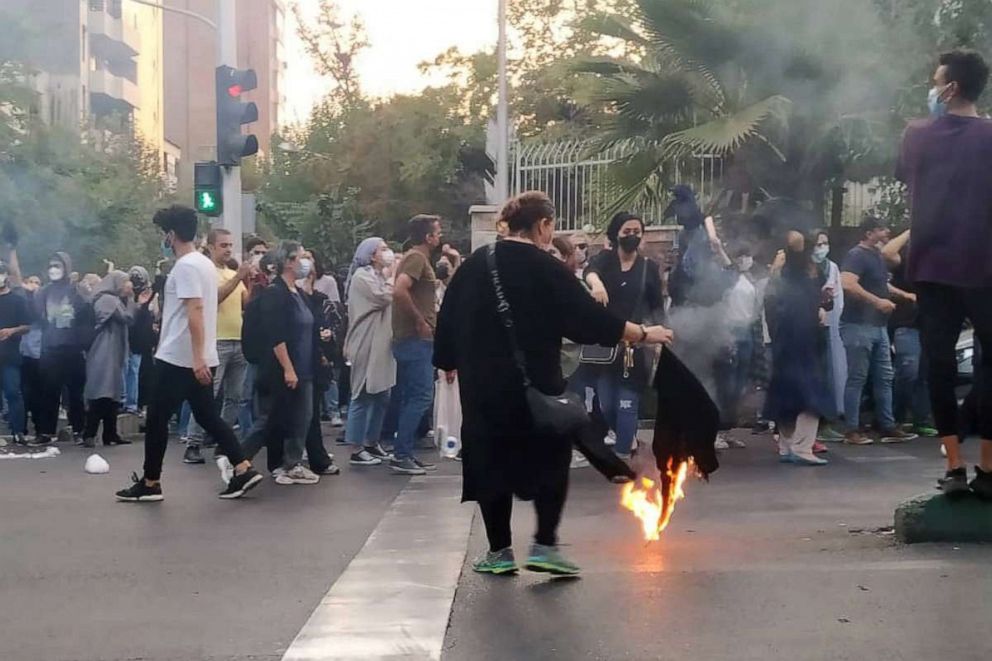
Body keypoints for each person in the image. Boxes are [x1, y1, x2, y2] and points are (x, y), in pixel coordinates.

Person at [435, 191, 675, 576]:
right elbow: (589, 321)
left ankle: (499, 552)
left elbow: (447, 322)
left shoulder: (473, 266)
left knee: (491, 462)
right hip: (538, 387)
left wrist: (447, 362)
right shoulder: (546, 269)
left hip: (484, 391)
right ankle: (545, 545)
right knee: (550, 458)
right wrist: (645, 334)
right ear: (543, 225)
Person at [115, 205, 262, 502]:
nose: (164, 240)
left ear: (171, 235)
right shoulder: (204, 265)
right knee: (208, 416)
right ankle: (243, 467)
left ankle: (151, 482)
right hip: (200, 355)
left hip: (179, 358)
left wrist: (196, 358)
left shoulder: (186, 267)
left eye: (163, 235)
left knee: (157, 418)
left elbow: (194, 309)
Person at [896, 49, 992, 497]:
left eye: (936, 81)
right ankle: (989, 469)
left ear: (950, 88)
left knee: (939, 365)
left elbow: (906, 175)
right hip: (985, 267)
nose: (932, 89)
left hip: (933, 267)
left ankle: (954, 468)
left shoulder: (917, 135)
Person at [583, 212, 665, 459]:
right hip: (606, 346)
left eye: (636, 232)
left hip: (635, 346)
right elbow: (590, 270)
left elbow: (657, 307)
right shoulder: (605, 260)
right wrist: (596, 284)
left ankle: (622, 456)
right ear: (616, 233)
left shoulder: (648, 268)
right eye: (626, 231)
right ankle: (628, 441)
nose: (632, 236)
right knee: (607, 404)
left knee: (627, 404)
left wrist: (659, 338)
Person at [240, 241, 322, 486]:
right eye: (300, 257)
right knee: (272, 417)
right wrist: (288, 368)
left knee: (302, 418)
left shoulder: (297, 293)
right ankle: (236, 456)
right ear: (287, 262)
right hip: (286, 368)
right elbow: (278, 335)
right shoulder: (276, 293)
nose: (305, 262)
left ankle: (292, 464)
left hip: (305, 367)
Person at [839, 216, 917, 445]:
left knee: (884, 377)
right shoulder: (856, 255)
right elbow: (847, 283)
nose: (887, 232)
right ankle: (851, 430)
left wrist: (903, 295)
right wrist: (876, 302)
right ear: (869, 233)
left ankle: (887, 425)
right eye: (882, 229)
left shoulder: (875, 255)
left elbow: (882, 284)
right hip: (857, 325)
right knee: (858, 378)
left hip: (878, 327)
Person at [182, 229, 251, 465]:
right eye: (223, 245)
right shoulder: (207, 273)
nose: (229, 249)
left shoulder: (233, 273)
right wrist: (238, 278)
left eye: (231, 245)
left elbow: (246, 303)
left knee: (235, 397)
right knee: (207, 396)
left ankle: (224, 440)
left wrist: (255, 283)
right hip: (217, 341)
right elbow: (215, 298)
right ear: (210, 247)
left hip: (238, 340)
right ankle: (193, 442)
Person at [765, 231, 834, 465]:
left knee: (788, 392)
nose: (820, 249)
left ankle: (787, 446)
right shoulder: (793, 270)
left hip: (802, 337)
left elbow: (818, 301)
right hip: (795, 339)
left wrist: (823, 302)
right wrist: (796, 226)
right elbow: (793, 239)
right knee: (810, 393)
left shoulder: (817, 274)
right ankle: (801, 447)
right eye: (816, 245)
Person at [389, 215, 443, 475]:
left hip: (414, 338)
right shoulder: (416, 258)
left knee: (413, 395)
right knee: (421, 395)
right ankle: (401, 453)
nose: (439, 236)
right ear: (428, 237)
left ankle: (404, 451)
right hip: (414, 338)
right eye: (437, 232)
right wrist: (420, 321)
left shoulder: (417, 258)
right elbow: (400, 290)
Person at [343, 238, 397, 466]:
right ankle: (356, 447)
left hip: (382, 343)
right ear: (371, 254)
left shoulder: (380, 275)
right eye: (382, 249)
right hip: (365, 340)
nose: (387, 253)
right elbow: (383, 297)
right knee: (362, 393)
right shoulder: (362, 277)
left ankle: (371, 441)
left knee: (382, 394)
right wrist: (393, 275)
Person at [882, 230, 938, 439]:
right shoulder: (906, 259)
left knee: (924, 375)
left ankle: (920, 420)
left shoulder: (938, 265)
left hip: (930, 325)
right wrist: (914, 228)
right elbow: (887, 253)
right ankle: (894, 418)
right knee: (908, 371)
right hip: (907, 324)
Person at [82, 271, 145, 447]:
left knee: (113, 393)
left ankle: (110, 433)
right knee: (102, 391)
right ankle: (90, 432)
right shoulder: (107, 300)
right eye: (125, 282)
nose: (128, 286)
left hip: (113, 349)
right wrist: (134, 302)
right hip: (103, 349)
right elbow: (127, 318)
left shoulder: (112, 299)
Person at [35, 251, 89, 445]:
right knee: (49, 392)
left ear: (66, 267)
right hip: (51, 349)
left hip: (73, 349)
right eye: (51, 265)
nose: (54, 269)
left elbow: (87, 317)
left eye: (58, 265)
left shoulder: (77, 291)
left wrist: (83, 342)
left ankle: (79, 430)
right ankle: (46, 432)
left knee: (75, 393)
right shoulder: (44, 292)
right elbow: (37, 317)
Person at [713, 243, 758, 449]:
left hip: (746, 332)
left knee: (739, 386)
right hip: (729, 332)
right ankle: (716, 431)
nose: (745, 260)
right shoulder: (725, 278)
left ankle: (727, 430)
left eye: (747, 256)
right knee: (726, 385)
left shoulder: (749, 280)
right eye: (741, 256)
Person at [811, 231, 847, 443]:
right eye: (817, 244)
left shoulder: (831, 267)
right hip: (810, 326)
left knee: (830, 374)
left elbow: (837, 298)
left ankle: (826, 421)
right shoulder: (806, 268)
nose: (822, 248)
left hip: (829, 325)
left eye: (825, 243)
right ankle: (814, 427)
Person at [0, 260, 31, 445]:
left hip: (10, 356)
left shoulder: (18, 300)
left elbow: (27, 326)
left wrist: (12, 331)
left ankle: (18, 431)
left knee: (13, 393)